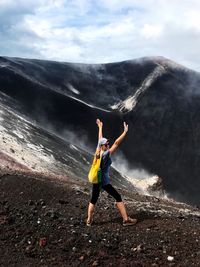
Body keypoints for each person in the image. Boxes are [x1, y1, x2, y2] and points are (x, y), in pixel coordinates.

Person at [86, 118, 137, 227]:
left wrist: (100, 127)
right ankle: (126, 219)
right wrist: (124, 132)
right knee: (117, 196)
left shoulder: (98, 151)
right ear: (103, 146)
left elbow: (99, 139)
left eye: (108, 143)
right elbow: (117, 143)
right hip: (103, 181)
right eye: (106, 144)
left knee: (93, 199)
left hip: (95, 180)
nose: (108, 144)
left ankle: (89, 220)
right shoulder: (106, 154)